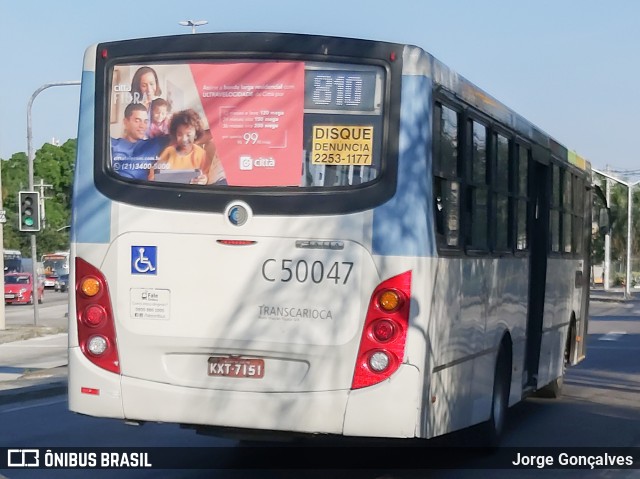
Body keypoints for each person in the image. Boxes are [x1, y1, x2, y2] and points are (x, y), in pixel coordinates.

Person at [149, 109, 221, 185]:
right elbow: (153, 173)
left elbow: (207, 175)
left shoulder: (201, 154)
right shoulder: (169, 151)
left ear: (196, 134)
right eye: (180, 134)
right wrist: (155, 179)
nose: (184, 139)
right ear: (175, 134)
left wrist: (204, 180)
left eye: (188, 135)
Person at [111, 103, 170, 180]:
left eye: (145, 122)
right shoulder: (111, 144)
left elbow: (180, 133)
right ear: (125, 122)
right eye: (137, 121)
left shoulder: (154, 145)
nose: (142, 126)